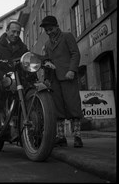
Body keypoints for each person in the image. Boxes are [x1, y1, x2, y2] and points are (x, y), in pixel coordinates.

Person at [40, 15, 83, 148]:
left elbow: (75, 54)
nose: (48, 32)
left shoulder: (67, 36)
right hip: (54, 79)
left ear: (57, 26)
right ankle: (61, 137)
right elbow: (46, 60)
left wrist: (72, 70)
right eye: (46, 30)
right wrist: (46, 77)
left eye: (50, 29)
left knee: (73, 106)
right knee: (57, 108)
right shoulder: (47, 44)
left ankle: (77, 136)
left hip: (68, 76)